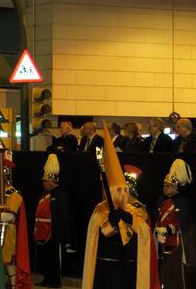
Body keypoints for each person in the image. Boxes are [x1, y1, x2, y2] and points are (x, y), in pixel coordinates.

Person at [82, 121, 151, 289]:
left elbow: (144, 232)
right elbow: (97, 233)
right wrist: (110, 225)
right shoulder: (101, 209)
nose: (121, 194)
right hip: (104, 266)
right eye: (117, 190)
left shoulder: (133, 209)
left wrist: (129, 219)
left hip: (125, 265)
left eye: (123, 190)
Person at [154, 159, 195, 289]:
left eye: (168, 186)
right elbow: (156, 221)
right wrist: (157, 231)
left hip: (177, 245)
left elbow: (184, 224)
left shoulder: (183, 202)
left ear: (175, 187)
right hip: (161, 245)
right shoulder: (160, 201)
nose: (164, 188)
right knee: (163, 275)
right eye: (164, 186)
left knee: (176, 275)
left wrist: (167, 229)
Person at [34, 153, 71, 288]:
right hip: (43, 232)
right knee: (46, 257)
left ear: (52, 181)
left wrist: (59, 234)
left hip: (55, 233)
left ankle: (56, 281)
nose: (43, 183)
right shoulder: (44, 194)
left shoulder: (61, 194)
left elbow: (62, 216)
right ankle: (47, 279)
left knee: (55, 258)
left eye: (45, 181)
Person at [123, 164, 160, 289]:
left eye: (122, 189)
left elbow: (141, 231)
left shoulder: (138, 208)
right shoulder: (121, 207)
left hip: (135, 254)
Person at [0, 151, 31, 289]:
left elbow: (10, 215)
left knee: (8, 262)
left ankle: (14, 286)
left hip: (7, 231)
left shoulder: (13, 193)